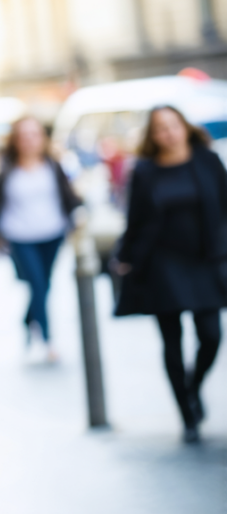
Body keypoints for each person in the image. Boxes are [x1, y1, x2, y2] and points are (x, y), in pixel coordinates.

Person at [114, 105, 227, 444]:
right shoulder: (145, 171)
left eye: (173, 125)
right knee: (172, 341)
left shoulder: (207, 160)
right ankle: (186, 414)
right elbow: (135, 218)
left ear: (185, 127)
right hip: (162, 263)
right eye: (160, 128)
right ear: (153, 136)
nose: (169, 133)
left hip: (204, 259)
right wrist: (125, 257)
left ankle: (193, 385)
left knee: (211, 335)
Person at [0, 117, 81, 363]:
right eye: (23, 136)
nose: (29, 141)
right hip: (20, 237)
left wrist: (77, 216)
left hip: (53, 234)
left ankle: (28, 319)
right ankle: (47, 339)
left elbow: (68, 196)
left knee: (44, 285)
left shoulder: (53, 166)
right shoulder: (6, 171)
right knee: (37, 284)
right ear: (15, 141)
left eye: (34, 135)